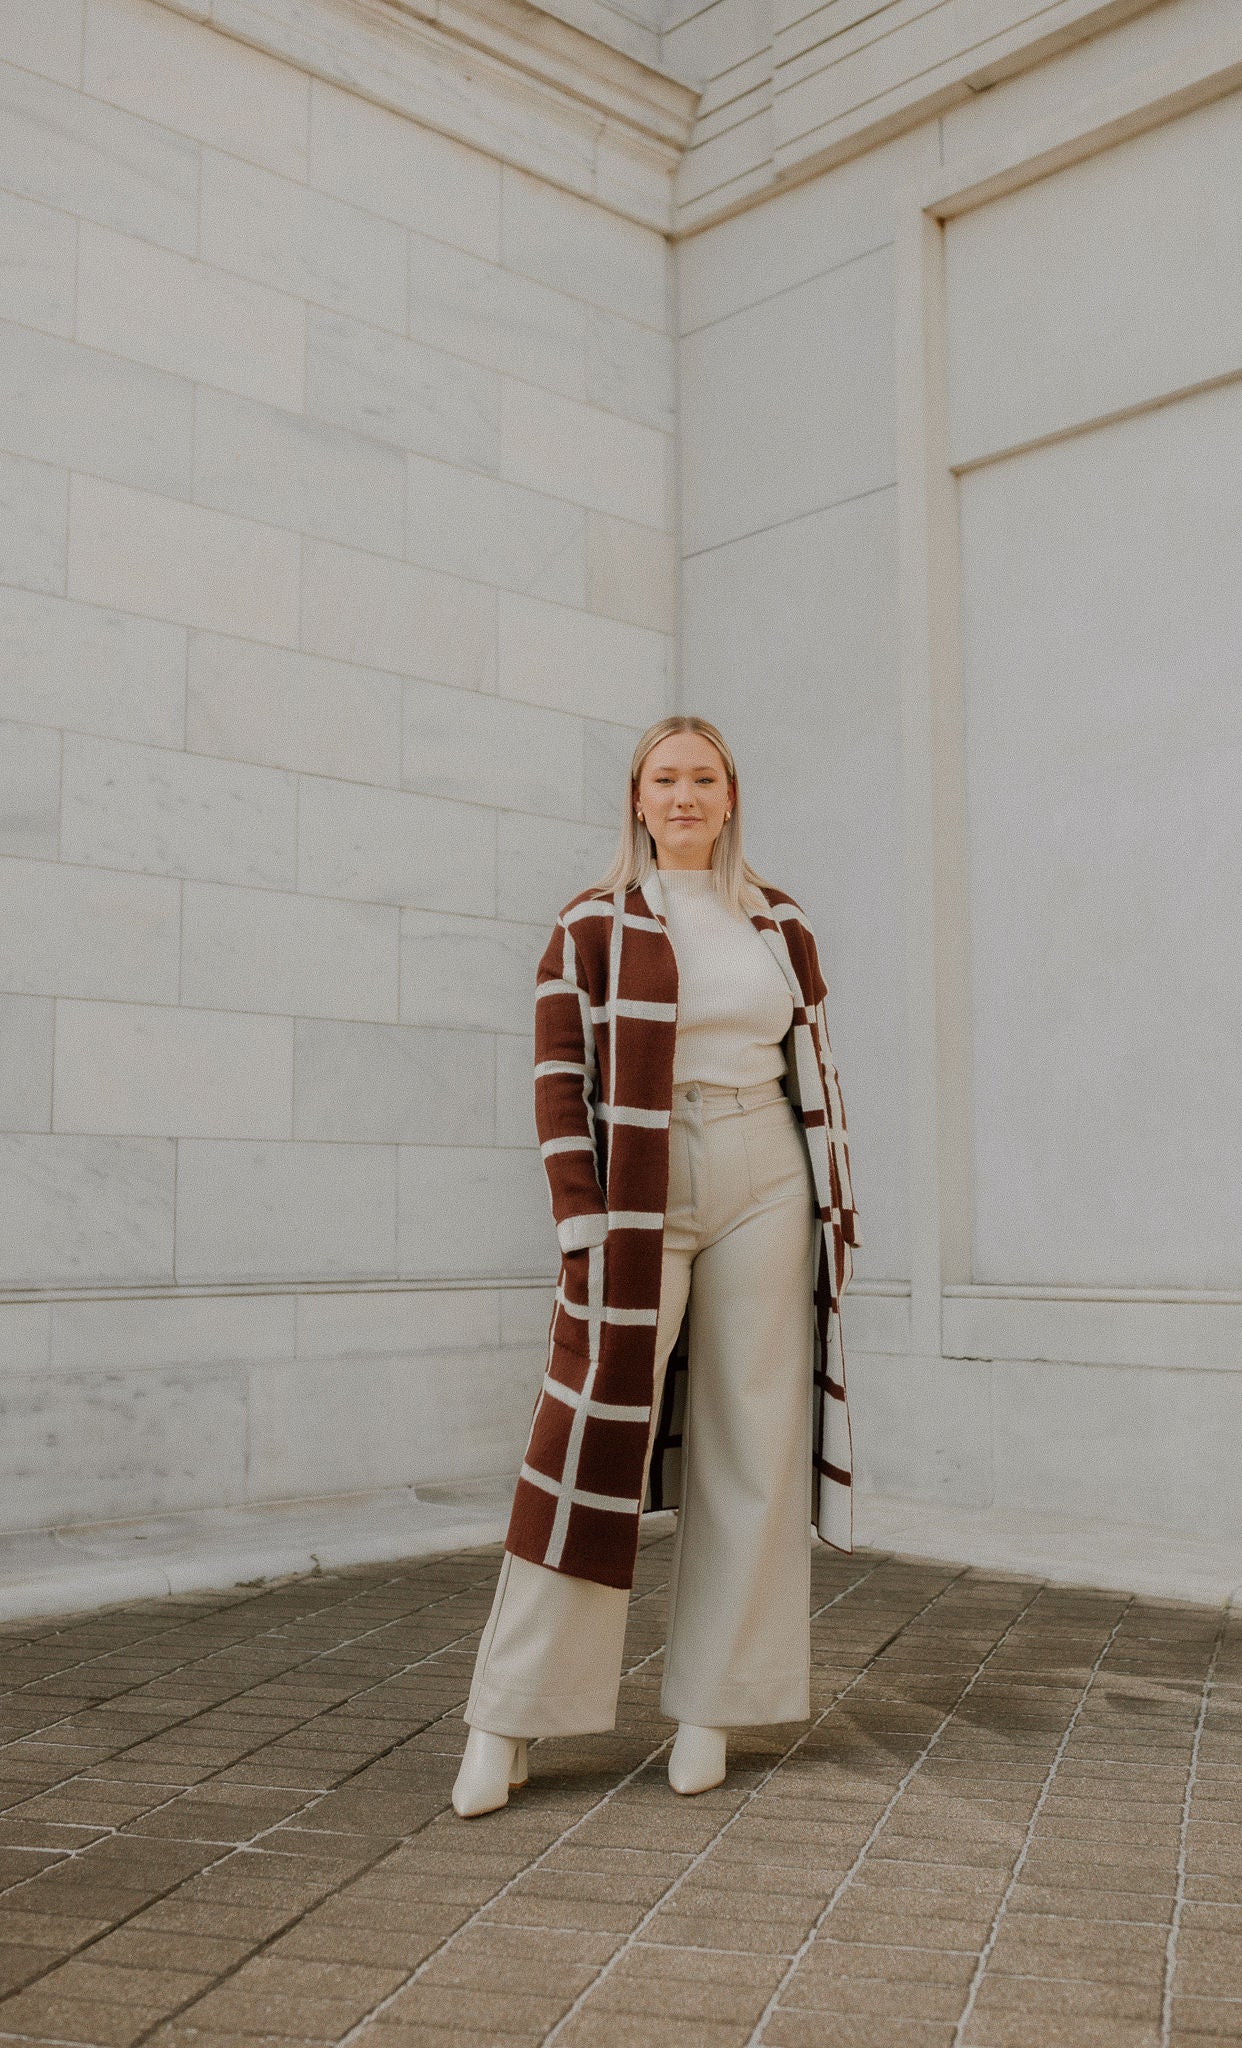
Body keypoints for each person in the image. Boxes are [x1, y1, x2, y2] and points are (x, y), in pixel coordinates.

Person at [453, 714, 861, 1818]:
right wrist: (578, 1217)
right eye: (666, 778)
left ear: (731, 798)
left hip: (766, 1166)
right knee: (587, 1433)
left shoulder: (778, 922)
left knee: (754, 1435)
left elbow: (812, 1065)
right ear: (637, 797)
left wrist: (833, 1200)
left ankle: (713, 1710)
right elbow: (555, 1074)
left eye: (704, 779)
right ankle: (508, 1714)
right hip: (641, 1174)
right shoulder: (591, 921)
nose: (685, 795)